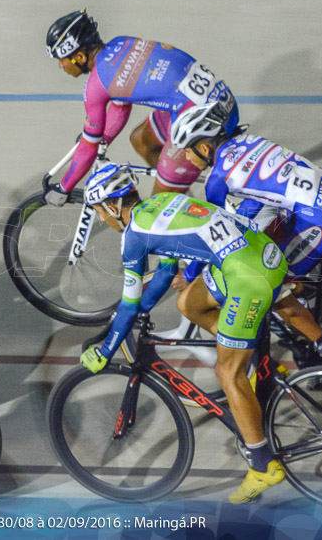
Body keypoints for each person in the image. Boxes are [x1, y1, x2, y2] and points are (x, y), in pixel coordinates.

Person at [77, 163, 287, 504]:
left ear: (114, 205)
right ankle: (255, 362)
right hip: (258, 255)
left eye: (101, 212)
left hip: (249, 277)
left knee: (226, 372)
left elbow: (128, 306)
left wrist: (105, 351)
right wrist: (142, 308)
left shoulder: (133, 238)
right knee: (189, 302)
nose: (101, 220)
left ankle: (263, 465)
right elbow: (165, 273)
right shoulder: (159, 204)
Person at [169, 101, 322, 366]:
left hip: (321, 220)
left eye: (187, 152)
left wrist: (189, 275)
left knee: (273, 288)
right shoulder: (248, 141)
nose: (186, 159)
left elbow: (214, 233)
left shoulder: (218, 178)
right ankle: (303, 300)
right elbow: (257, 199)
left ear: (203, 147)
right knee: (268, 256)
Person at [42, 9, 240, 205]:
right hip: (219, 101)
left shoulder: (96, 85)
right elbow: (120, 108)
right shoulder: (122, 43)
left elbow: (88, 147)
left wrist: (64, 187)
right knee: (141, 139)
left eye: (62, 60)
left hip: (203, 124)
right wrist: (104, 140)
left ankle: (178, 210)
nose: (61, 66)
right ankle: (178, 192)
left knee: (158, 209)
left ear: (80, 57)